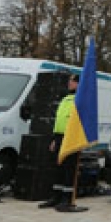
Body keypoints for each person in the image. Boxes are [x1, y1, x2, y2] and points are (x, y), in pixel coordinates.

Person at [38, 74, 81, 212]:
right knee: (58, 167)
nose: (69, 83)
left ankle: (67, 198)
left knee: (69, 168)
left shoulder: (80, 99)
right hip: (59, 137)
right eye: (69, 80)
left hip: (71, 138)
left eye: (72, 81)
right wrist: (54, 139)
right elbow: (59, 121)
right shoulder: (65, 99)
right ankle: (56, 196)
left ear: (79, 84)